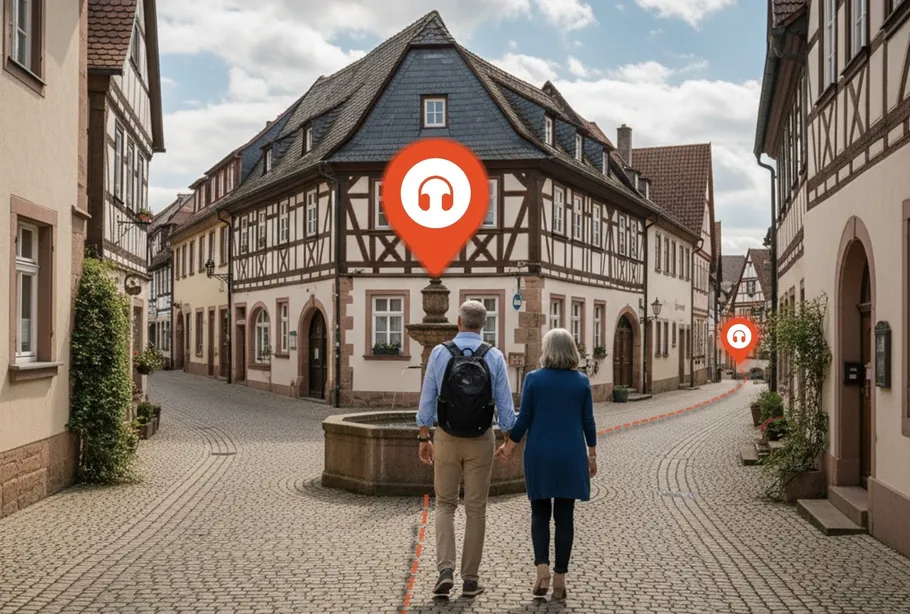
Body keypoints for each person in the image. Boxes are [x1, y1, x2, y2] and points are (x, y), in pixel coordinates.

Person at [417, 300, 516, 599]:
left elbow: (427, 399)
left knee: (445, 505)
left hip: (446, 437)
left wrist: (424, 437)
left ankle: (445, 571)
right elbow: (506, 408)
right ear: (483, 325)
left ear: (458, 322)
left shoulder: (439, 353)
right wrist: (509, 440)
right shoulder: (494, 355)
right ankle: (470, 580)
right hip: (481, 439)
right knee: (476, 509)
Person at [495, 328, 597, 601]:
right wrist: (592, 455)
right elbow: (588, 422)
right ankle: (560, 579)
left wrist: (508, 447)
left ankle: (542, 570)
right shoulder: (582, 382)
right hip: (571, 455)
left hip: (539, 454)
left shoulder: (533, 379)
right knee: (565, 516)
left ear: (547, 350)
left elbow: (524, 419)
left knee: (539, 513)